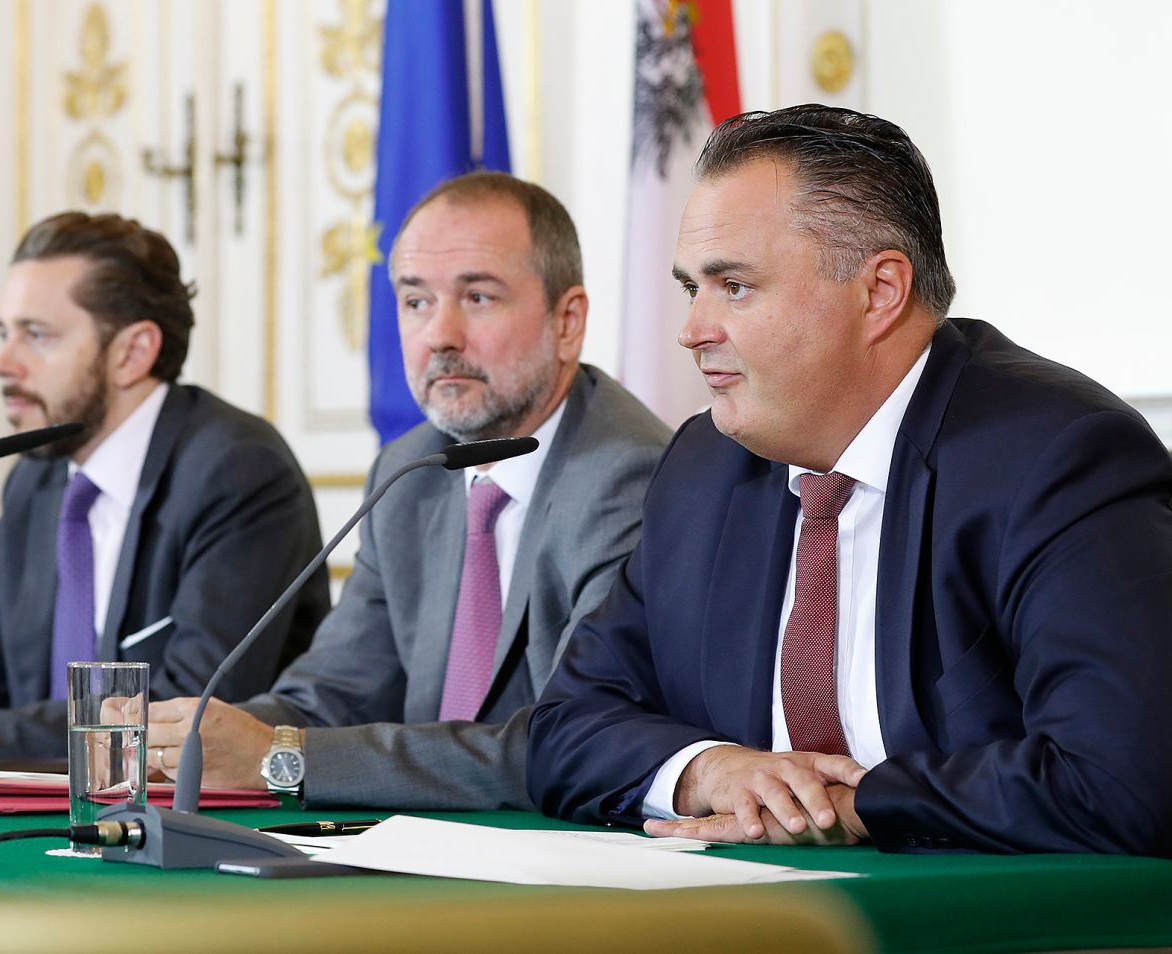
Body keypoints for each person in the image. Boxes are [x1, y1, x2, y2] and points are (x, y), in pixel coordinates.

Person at [528, 105, 1172, 856]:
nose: (693, 328)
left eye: (733, 286)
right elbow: (565, 725)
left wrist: (850, 805)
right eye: (690, 288)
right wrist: (713, 771)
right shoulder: (705, 466)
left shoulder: (1056, 456)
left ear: (880, 291)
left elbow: (1125, 779)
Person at [145, 173, 671, 810]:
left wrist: (278, 758)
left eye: (477, 297)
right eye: (415, 301)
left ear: (567, 322)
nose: (439, 336)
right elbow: (333, 695)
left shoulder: (628, 477)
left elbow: (566, 738)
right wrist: (185, 741)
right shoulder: (412, 469)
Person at [0, 212, 328, 771]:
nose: (1, 363)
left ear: (132, 352)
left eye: (36, 336)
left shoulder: (236, 471)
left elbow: (175, 719)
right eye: (4, 333)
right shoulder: (36, 480)